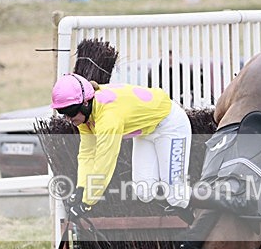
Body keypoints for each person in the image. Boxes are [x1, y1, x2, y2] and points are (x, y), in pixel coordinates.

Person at [51, 73, 193, 223]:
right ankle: (189, 207)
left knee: (176, 196)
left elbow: (104, 162)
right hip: (146, 130)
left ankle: (211, 206)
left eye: (71, 112)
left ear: (85, 103)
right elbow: (87, 154)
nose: (68, 119)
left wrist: (87, 203)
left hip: (170, 125)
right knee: (144, 193)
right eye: (63, 113)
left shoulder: (108, 118)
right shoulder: (85, 119)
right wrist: (81, 188)